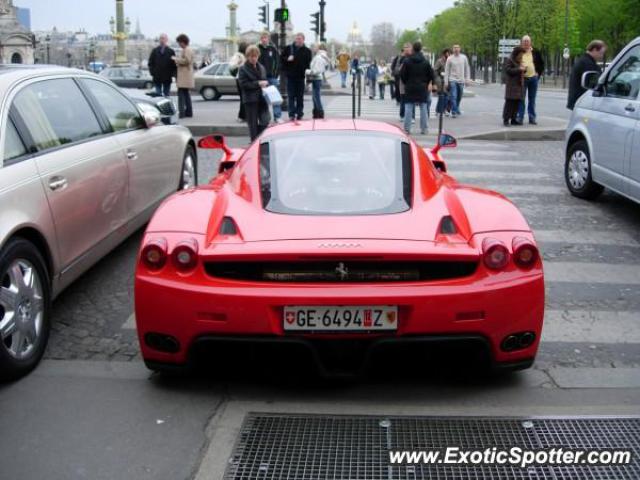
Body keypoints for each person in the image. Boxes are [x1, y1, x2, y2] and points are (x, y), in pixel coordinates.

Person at [400, 41, 434, 135]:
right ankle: (424, 129)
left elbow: (402, 75)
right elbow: (431, 75)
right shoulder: (426, 62)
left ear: (413, 49)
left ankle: (407, 129)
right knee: (423, 107)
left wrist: (407, 82)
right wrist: (428, 83)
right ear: (421, 49)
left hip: (410, 86)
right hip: (422, 87)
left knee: (408, 107)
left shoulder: (407, 61)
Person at [238, 45, 269, 141]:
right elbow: (243, 84)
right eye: (251, 56)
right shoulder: (243, 68)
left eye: (255, 56)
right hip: (250, 99)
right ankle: (254, 143)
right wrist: (258, 83)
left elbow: (264, 80)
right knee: (252, 124)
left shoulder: (261, 67)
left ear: (258, 56)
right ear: (247, 56)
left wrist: (266, 83)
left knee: (265, 120)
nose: (254, 58)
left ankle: (259, 138)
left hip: (262, 98)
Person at [567, 40, 607, 110]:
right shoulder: (588, 64)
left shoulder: (584, 60)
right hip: (582, 101)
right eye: (601, 53)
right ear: (594, 50)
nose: (602, 56)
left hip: (579, 100)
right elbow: (596, 83)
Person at [281, 33, 312, 121]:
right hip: (291, 76)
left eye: (300, 39)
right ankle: (291, 114)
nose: (298, 40)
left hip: (301, 77)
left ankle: (299, 113)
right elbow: (281, 59)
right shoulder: (289, 48)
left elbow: (308, 64)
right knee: (291, 96)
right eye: (297, 39)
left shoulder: (307, 51)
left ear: (303, 40)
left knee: (300, 96)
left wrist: (308, 75)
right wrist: (287, 59)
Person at [516, 35, 545, 125]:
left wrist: (538, 73)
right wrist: (519, 68)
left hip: (533, 78)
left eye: (527, 41)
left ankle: (532, 117)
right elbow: (514, 63)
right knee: (521, 99)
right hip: (522, 78)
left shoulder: (535, 51)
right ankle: (520, 117)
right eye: (524, 41)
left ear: (530, 42)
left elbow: (541, 64)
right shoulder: (518, 52)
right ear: (522, 42)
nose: (526, 43)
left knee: (532, 99)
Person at [258, 31, 282, 124]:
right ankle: (265, 117)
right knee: (263, 99)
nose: (264, 39)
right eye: (262, 38)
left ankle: (277, 116)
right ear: (261, 39)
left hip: (272, 77)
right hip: (261, 78)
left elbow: (277, 62)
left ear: (268, 39)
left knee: (275, 97)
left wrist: (275, 74)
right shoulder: (257, 49)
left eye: (266, 38)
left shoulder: (273, 49)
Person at [444, 44, 470, 117]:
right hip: (452, 80)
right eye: (454, 48)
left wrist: (467, 79)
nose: (456, 49)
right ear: (453, 49)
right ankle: (454, 111)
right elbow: (447, 71)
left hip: (461, 80)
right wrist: (446, 82)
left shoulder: (464, 57)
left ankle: (456, 107)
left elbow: (467, 68)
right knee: (453, 96)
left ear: (460, 49)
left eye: (457, 47)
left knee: (459, 96)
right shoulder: (449, 58)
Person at [503, 46, 526, 127]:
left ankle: (513, 119)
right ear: (517, 53)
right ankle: (506, 120)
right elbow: (508, 70)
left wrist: (524, 69)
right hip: (511, 86)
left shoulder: (519, 60)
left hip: (518, 85)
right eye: (521, 54)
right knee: (509, 103)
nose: (522, 56)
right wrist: (519, 69)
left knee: (516, 103)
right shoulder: (510, 60)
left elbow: (521, 70)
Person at [172, 34, 194, 118]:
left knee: (181, 96)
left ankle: (182, 113)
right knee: (186, 95)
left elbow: (187, 61)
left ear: (182, 42)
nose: (179, 44)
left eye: (179, 42)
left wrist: (176, 59)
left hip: (184, 75)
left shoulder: (187, 50)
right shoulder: (188, 49)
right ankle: (188, 112)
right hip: (186, 76)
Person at [307, 43, 330, 119]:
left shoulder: (319, 57)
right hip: (317, 78)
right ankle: (317, 111)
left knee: (316, 96)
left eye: (315, 46)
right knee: (315, 96)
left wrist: (308, 71)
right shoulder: (322, 56)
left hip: (316, 77)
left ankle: (319, 111)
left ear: (319, 48)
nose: (314, 48)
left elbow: (317, 69)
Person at [394, 43, 414, 121]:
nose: (406, 49)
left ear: (411, 48)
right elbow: (396, 69)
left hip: (411, 81)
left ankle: (412, 116)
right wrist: (400, 68)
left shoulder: (413, 57)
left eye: (408, 47)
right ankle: (402, 115)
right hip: (403, 81)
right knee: (403, 99)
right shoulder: (401, 58)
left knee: (411, 99)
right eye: (405, 47)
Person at [229, 42, 247, 123]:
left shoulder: (245, 55)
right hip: (240, 78)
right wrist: (239, 64)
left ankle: (243, 116)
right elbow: (232, 66)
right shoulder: (238, 56)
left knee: (244, 98)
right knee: (243, 97)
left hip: (244, 78)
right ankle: (242, 116)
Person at [433, 48, 451, 115]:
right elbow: (435, 71)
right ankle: (442, 110)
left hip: (449, 81)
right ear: (444, 54)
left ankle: (440, 110)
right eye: (447, 53)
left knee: (447, 96)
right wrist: (437, 80)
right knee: (443, 95)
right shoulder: (440, 61)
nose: (448, 54)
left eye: (449, 53)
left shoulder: (450, 61)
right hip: (441, 81)